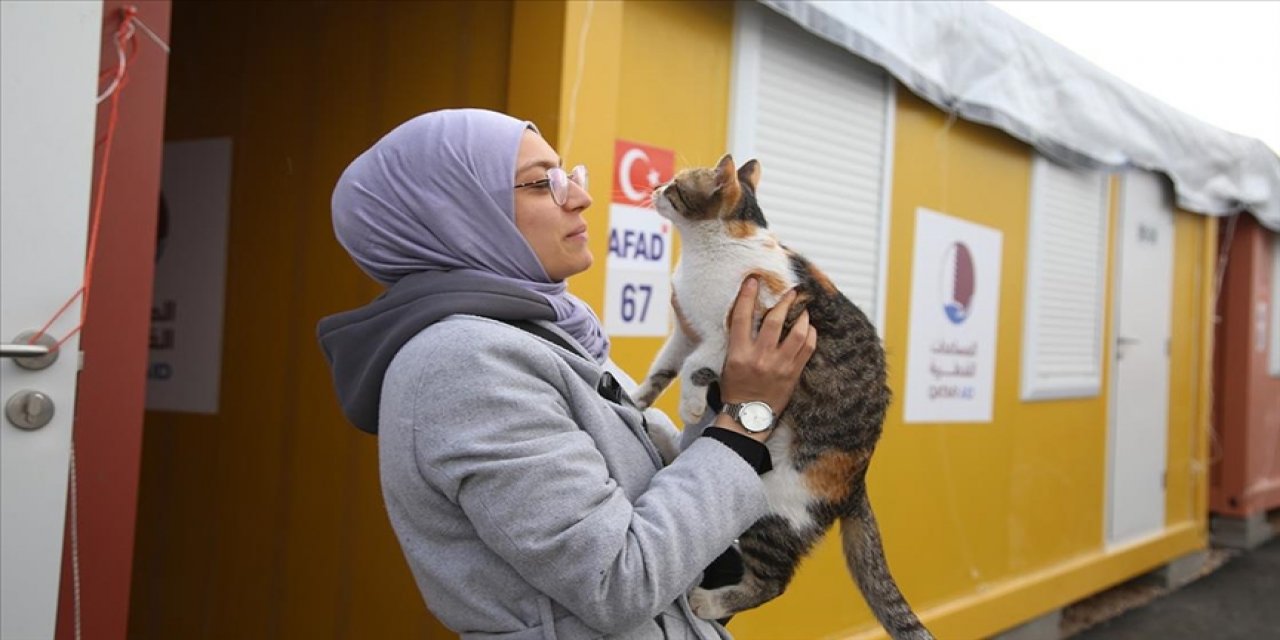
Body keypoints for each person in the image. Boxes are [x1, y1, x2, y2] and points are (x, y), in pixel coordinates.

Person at [317, 109, 817, 639]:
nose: (580, 198)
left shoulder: (549, 333)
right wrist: (745, 418)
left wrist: (725, 379)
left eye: (569, 175)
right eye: (542, 184)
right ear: (454, 212)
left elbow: (675, 495)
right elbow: (617, 581)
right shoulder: (464, 364)